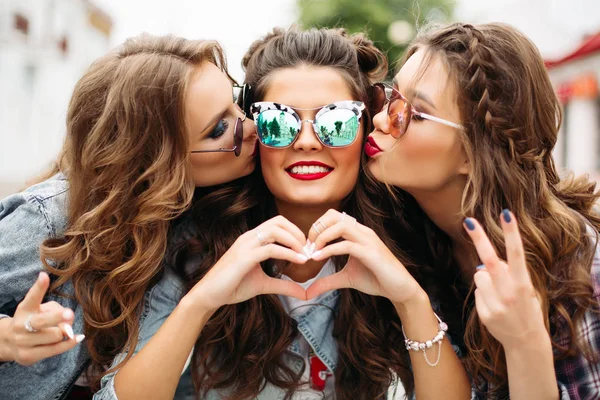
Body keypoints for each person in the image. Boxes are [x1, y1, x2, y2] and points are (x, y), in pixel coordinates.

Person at [95, 26, 472, 400]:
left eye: (335, 121)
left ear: (363, 127)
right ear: (254, 130)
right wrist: (202, 300)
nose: (307, 141)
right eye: (280, 122)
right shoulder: (196, 241)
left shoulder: (404, 236)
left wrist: (410, 300)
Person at [0, 33, 258, 400]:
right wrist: (7, 340)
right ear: (154, 161)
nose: (249, 126)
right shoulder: (52, 221)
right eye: (218, 129)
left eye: (238, 103)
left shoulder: (192, 217)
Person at [365, 22, 600, 399]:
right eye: (391, 99)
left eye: (417, 114)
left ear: (476, 150)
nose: (381, 119)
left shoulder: (577, 267)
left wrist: (525, 343)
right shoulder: (400, 236)